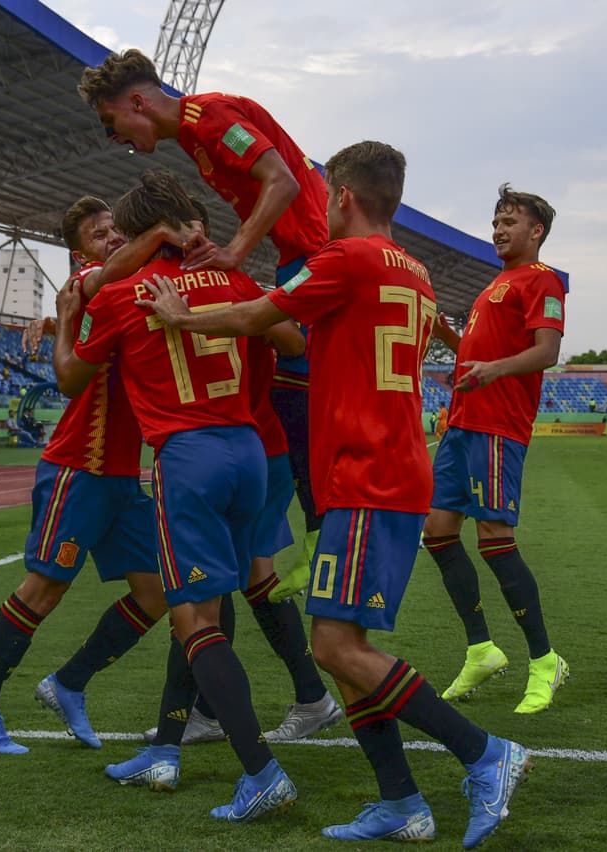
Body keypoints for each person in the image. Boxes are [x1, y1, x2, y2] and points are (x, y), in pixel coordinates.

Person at [141, 140, 528, 847]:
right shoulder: (413, 270)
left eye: (324, 195)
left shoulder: (345, 260)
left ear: (344, 197)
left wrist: (181, 318)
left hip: (367, 474)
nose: (318, 206)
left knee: (337, 647)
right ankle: (401, 802)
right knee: (342, 645)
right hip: (386, 468)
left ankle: (486, 754)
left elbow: (260, 316)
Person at [54, 172, 302, 823]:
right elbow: (292, 338)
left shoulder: (122, 295)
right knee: (215, 606)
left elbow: (70, 379)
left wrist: (66, 319)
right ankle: (166, 746)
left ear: (135, 236)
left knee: (194, 621)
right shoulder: (231, 281)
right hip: (249, 450)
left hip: (189, 461)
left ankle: (261, 772)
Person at [78, 49, 330, 602]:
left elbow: (282, 181)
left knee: (296, 378)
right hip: (296, 254)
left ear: (138, 101)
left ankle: (320, 536)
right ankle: (299, 538)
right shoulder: (194, 138)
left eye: (113, 121)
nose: (117, 137)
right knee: (285, 376)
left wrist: (236, 251)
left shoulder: (209, 119)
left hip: (311, 253)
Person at [0, 196, 170, 760]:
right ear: (80, 253)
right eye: (102, 234)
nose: (115, 239)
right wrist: (163, 228)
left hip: (123, 477)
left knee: (156, 594)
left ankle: (69, 683)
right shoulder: (86, 282)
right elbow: (106, 282)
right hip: (78, 468)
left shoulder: (120, 285)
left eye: (119, 230)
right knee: (43, 591)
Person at [422, 183, 569, 715]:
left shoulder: (542, 280)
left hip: (497, 427)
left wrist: (492, 371)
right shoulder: (495, 286)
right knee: (437, 535)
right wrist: (445, 332)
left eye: (510, 222)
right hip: (462, 426)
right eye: (496, 222)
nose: (499, 230)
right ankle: (482, 648)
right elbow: (476, 357)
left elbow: (547, 352)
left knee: (493, 539)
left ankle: (544, 660)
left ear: (537, 231)